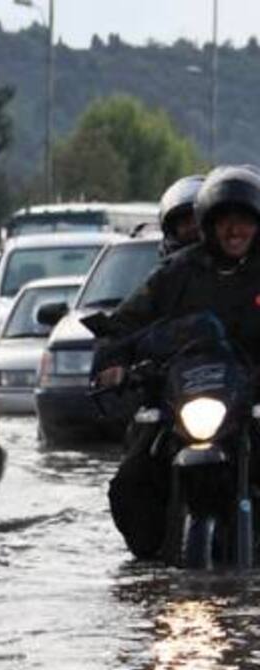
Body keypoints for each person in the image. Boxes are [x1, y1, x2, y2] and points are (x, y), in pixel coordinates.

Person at [93, 165, 260, 558]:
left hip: (252, 397)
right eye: (225, 222)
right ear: (209, 226)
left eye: (245, 221)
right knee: (132, 481)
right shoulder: (177, 272)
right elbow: (125, 322)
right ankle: (151, 573)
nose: (235, 231)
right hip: (184, 401)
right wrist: (112, 362)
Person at [157, 174, 205, 258]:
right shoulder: (167, 269)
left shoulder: (230, 266)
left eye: (197, 221)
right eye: (185, 222)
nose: (193, 227)